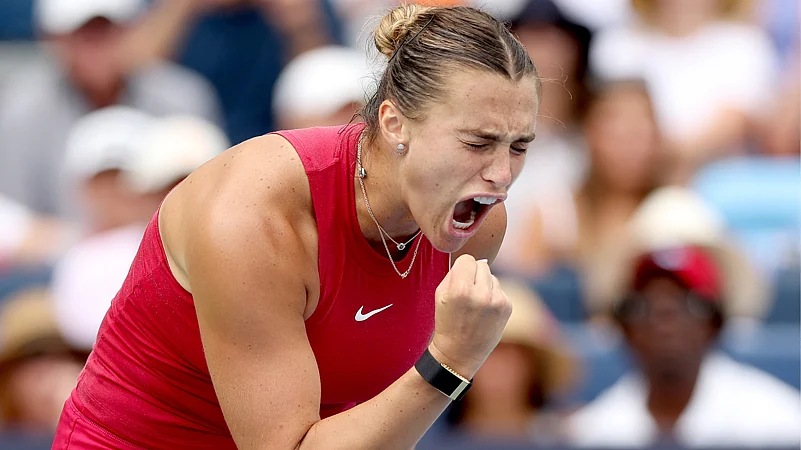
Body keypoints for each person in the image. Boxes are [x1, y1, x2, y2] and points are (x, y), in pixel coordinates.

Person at [52, 4, 541, 449]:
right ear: (394, 124)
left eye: (519, 147)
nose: (501, 175)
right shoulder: (254, 214)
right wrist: (449, 363)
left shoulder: (476, 222)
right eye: (478, 143)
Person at [0, 0, 220, 217]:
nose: (97, 45)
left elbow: (209, 202)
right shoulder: (20, 113)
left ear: (132, 30)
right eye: (83, 34)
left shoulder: (184, 98)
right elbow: (12, 220)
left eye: (108, 30)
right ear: (52, 39)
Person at [567, 244, 801, 447]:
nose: (664, 319)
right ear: (626, 329)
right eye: (645, 306)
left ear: (714, 324)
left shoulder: (779, 423)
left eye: (686, 304)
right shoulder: (596, 432)